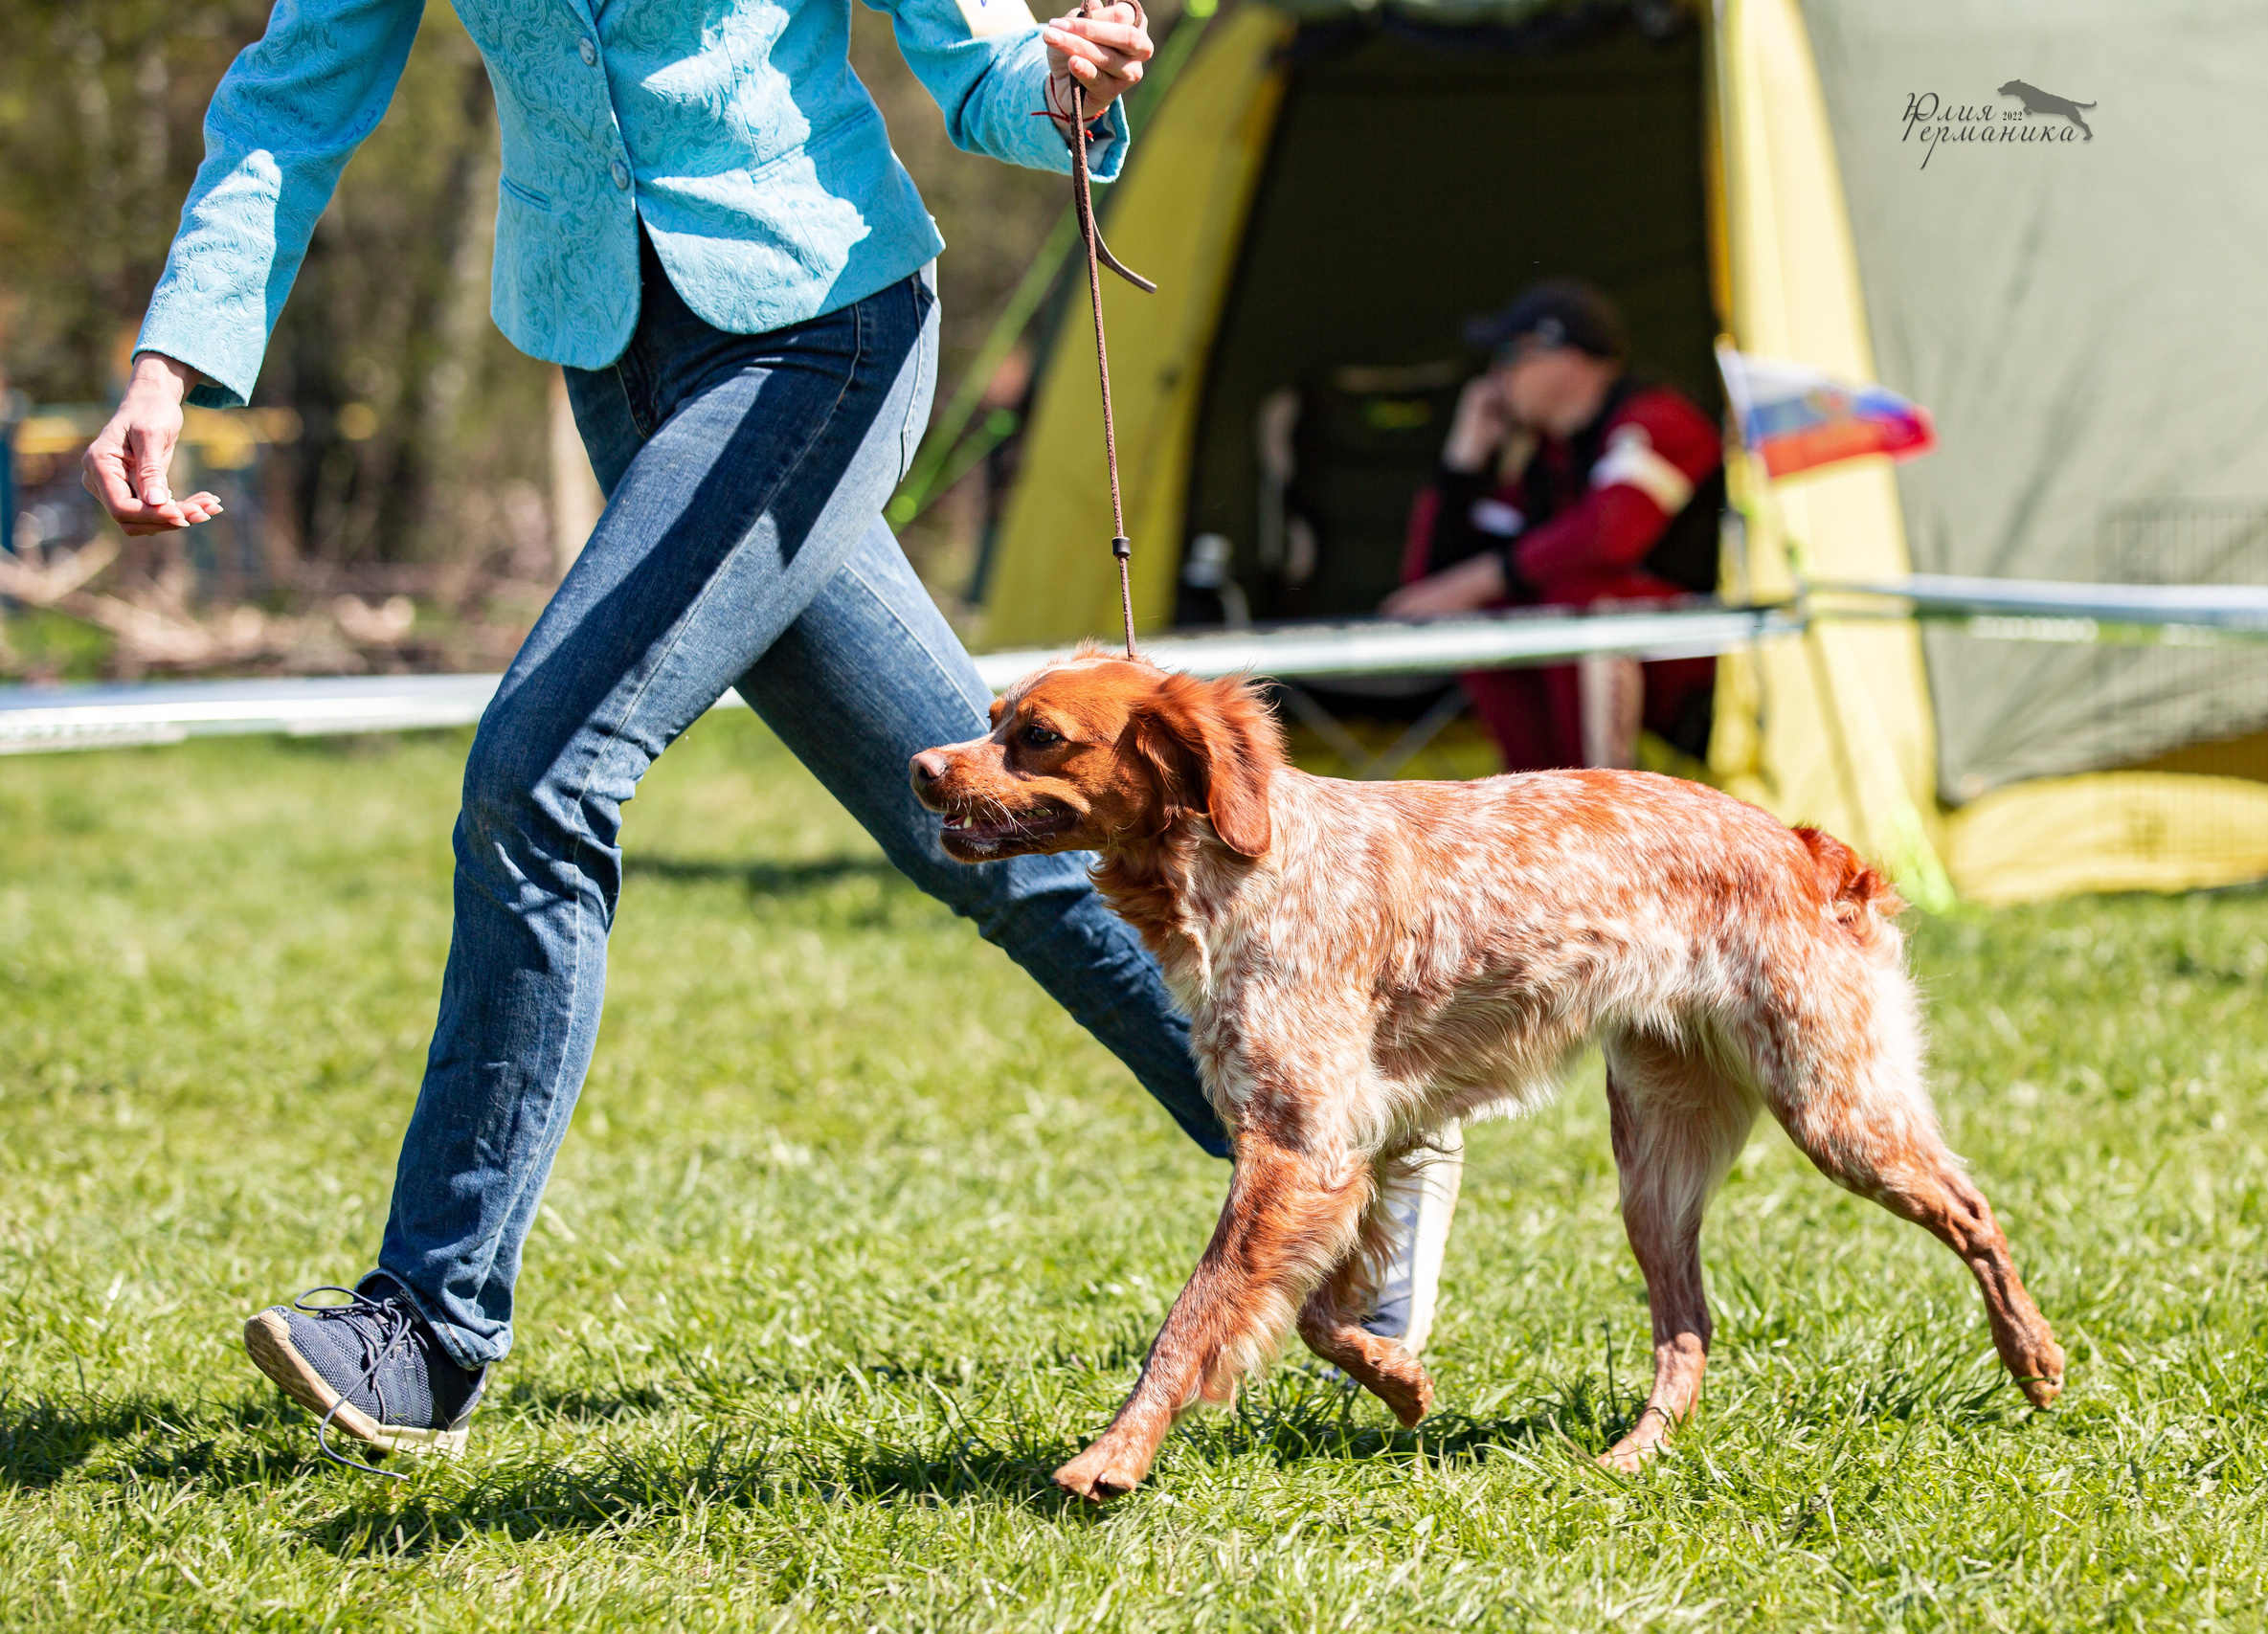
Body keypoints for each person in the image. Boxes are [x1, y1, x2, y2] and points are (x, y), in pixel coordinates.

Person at [83, 0, 1457, 1468]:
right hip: (617, 354)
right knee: (989, 828)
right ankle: (1349, 1129)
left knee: (540, 772)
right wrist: (175, 359)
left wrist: (1052, 83)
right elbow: (294, 93)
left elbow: (980, 62)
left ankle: (428, 1321)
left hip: (824, 323)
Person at [1383, 280, 1725, 772]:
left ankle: (1602, 811)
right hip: (1628, 659)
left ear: (1565, 360)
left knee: (1580, 597)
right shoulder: (1548, 457)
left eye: (1508, 356)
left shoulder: (1660, 418)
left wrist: (1478, 579)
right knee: (1492, 605)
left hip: (1714, 662)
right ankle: (1536, 796)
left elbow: (1609, 534)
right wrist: (1462, 462)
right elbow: (1430, 588)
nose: (1493, 379)